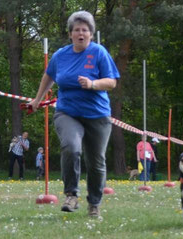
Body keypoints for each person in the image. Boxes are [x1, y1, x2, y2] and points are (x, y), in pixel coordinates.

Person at [28, 11, 119, 217]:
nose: (81, 33)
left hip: (97, 115)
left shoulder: (99, 53)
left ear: (90, 34)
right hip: (68, 112)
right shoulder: (61, 55)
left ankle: (94, 203)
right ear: (70, 34)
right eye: (76, 30)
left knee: (96, 163)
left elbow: (112, 82)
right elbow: (48, 76)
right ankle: (71, 194)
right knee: (71, 147)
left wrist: (93, 84)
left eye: (85, 30)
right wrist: (37, 100)